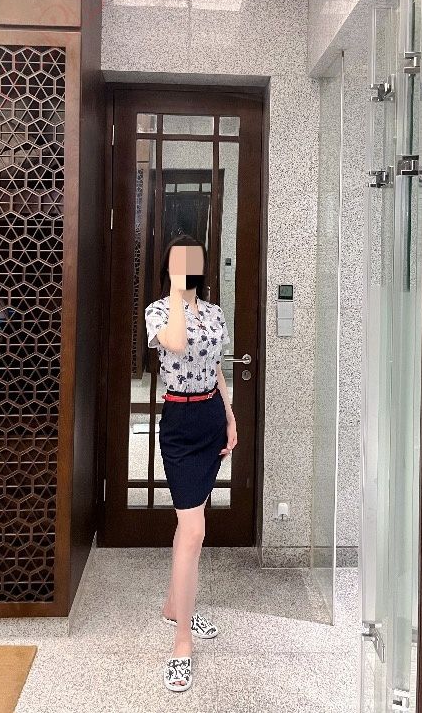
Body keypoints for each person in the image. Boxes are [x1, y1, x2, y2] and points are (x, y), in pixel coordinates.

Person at [144, 234, 238, 693]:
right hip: (180, 422)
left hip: (210, 417)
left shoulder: (215, 313)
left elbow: (215, 366)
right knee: (194, 529)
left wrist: (230, 417)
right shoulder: (159, 311)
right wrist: (180, 294)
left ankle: (173, 604)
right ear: (169, 269)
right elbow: (177, 344)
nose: (186, 269)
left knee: (190, 524)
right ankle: (182, 643)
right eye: (178, 263)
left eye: (192, 263)